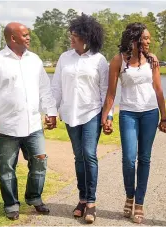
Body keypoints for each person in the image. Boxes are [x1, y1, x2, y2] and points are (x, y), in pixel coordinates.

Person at [0, 22, 57, 220]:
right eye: (25, 35)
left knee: (40, 162)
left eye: (28, 34)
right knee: (7, 168)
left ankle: (34, 197)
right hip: (6, 126)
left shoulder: (35, 60)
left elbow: (45, 89)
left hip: (33, 124)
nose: (29, 37)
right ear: (13, 38)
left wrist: (51, 111)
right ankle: (11, 204)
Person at [101, 22, 166, 224]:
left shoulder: (153, 60)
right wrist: (107, 117)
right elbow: (111, 93)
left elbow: (158, 90)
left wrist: (164, 117)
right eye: (145, 38)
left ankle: (139, 203)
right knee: (129, 159)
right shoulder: (118, 61)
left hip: (150, 113)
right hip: (128, 114)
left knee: (145, 158)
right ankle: (129, 196)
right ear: (134, 40)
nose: (149, 41)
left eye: (149, 38)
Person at [51, 14, 112, 224]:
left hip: (91, 112)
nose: (71, 38)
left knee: (89, 154)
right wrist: (51, 111)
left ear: (86, 37)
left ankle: (92, 203)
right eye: (71, 35)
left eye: (75, 35)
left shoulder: (99, 59)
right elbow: (56, 87)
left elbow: (106, 90)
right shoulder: (64, 58)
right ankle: (82, 198)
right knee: (78, 157)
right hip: (70, 113)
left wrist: (108, 115)